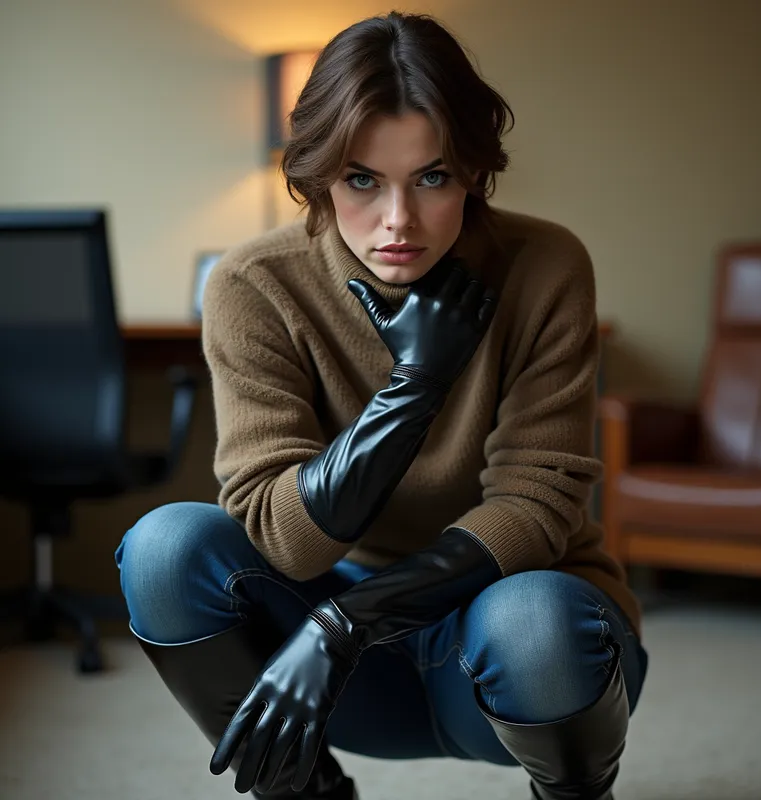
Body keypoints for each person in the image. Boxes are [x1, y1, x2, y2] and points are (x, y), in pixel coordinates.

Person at [114, 10, 648, 800]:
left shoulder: (545, 265)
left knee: (536, 622)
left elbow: (537, 510)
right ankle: (305, 791)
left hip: (513, 654)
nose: (399, 222)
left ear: (473, 170)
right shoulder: (252, 284)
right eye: (363, 178)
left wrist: (344, 625)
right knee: (163, 549)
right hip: (338, 678)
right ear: (320, 173)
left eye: (432, 176)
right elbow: (287, 543)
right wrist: (415, 383)